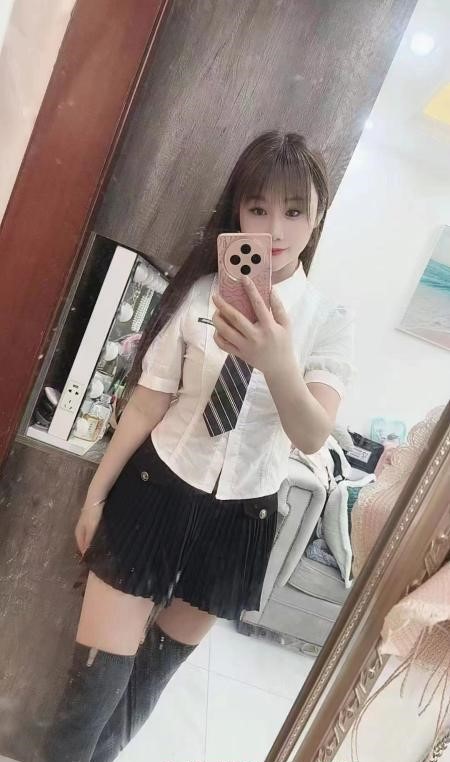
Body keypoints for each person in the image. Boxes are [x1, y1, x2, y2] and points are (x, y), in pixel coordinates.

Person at [43, 131, 355, 761]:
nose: (274, 229)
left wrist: (277, 361)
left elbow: (310, 434)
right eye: (258, 208)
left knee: (142, 693)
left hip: (240, 520)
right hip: (154, 491)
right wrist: (96, 496)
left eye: (295, 210)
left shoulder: (327, 323)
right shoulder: (200, 293)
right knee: (92, 694)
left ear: (318, 215)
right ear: (237, 209)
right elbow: (148, 402)